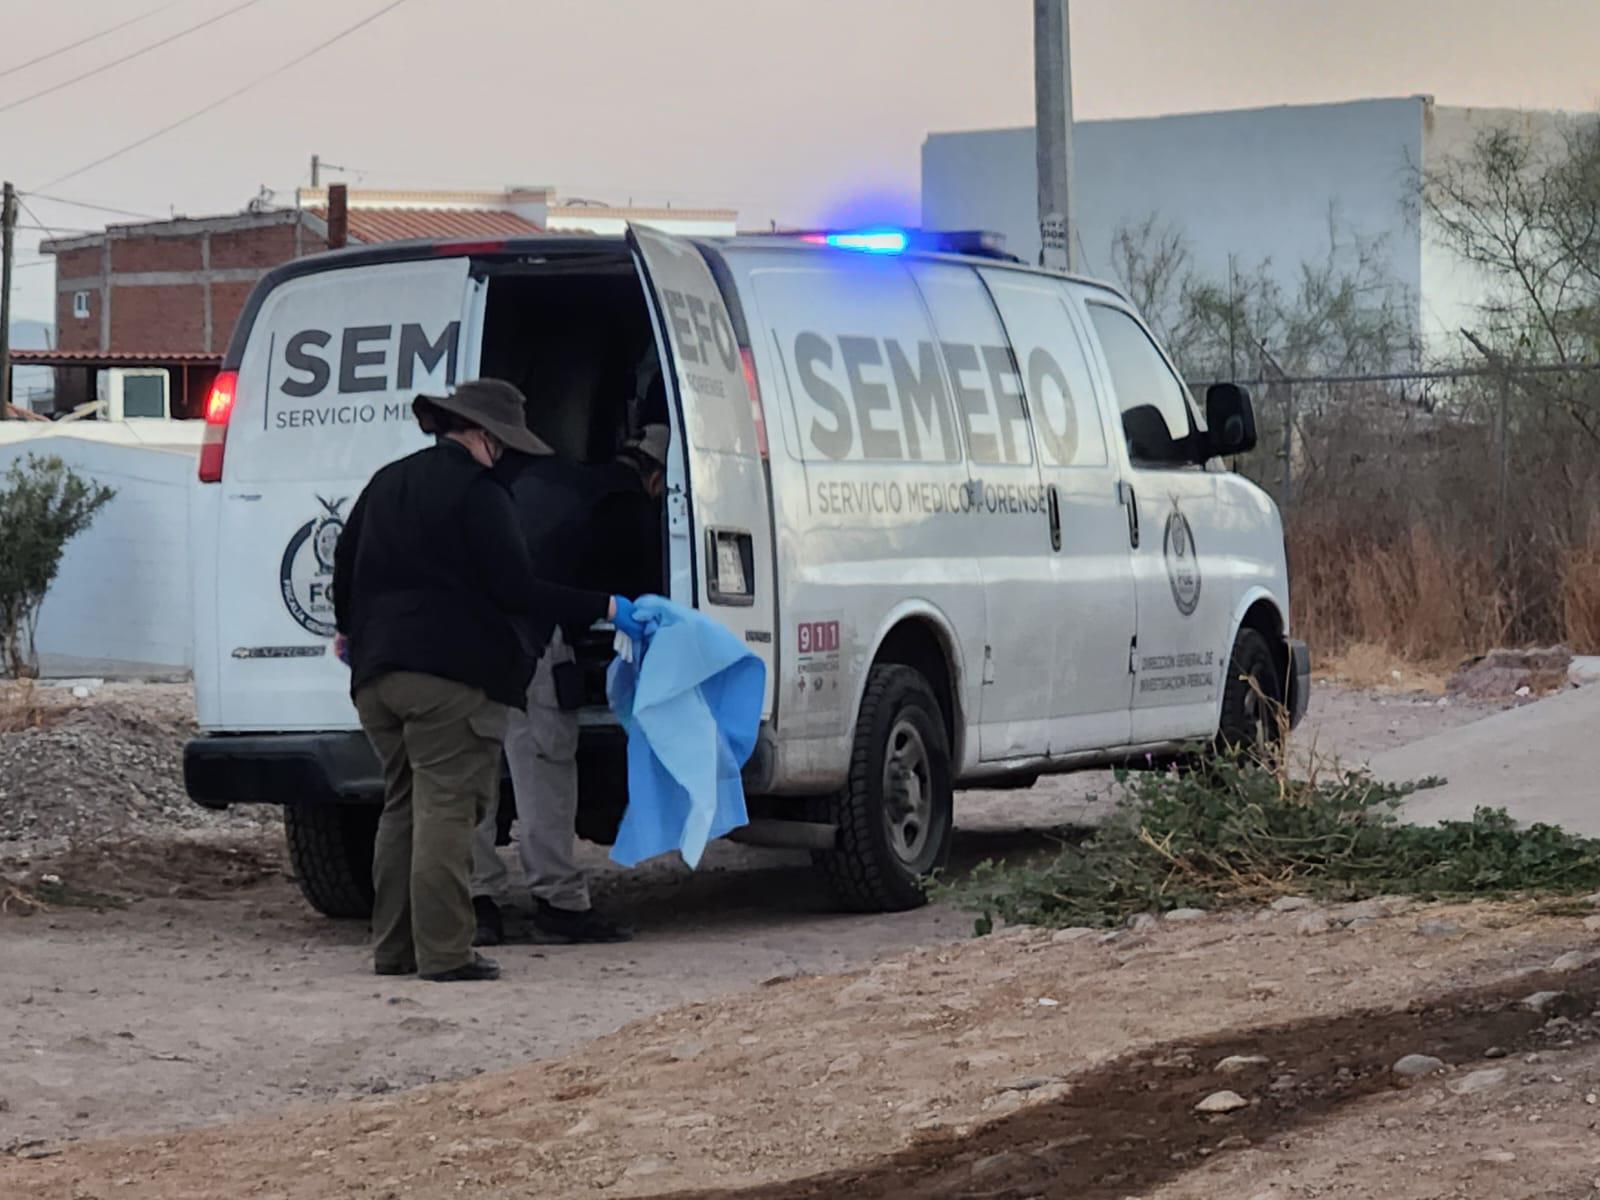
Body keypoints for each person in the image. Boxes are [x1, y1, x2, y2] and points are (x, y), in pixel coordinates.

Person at [332, 378, 640, 982]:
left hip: (377, 678)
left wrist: (354, 632)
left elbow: (345, 565)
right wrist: (606, 606)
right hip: (449, 678)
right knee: (448, 810)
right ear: (484, 436)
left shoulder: (386, 481)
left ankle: (394, 949)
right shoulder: (481, 493)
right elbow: (516, 589)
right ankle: (446, 953)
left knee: (402, 807)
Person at [469, 437, 637, 947]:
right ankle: (558, 901)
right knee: (544, 763)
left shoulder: (448, 485)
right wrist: (607, 607)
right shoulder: (594, 495)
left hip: (458, 640)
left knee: (468, 772)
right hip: (535, 638)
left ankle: (476, 900)